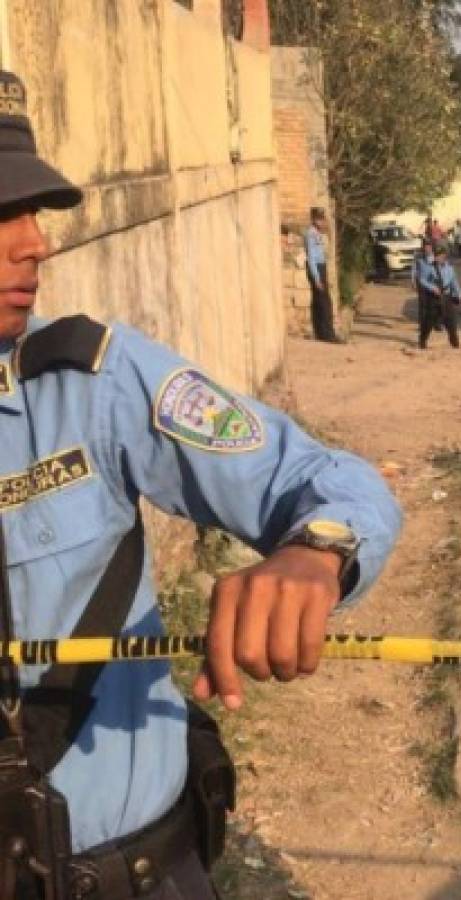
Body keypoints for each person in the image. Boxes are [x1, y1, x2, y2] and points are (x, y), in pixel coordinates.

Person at [0, 69, 403, 898]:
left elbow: (321, 481)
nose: (33, 242)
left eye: (29, 211)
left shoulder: (93, 383)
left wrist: (315, 553)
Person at [418, 242, 461, 349]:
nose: (439, 257)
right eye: (437, 255)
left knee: (451, 322)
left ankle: (455, 344)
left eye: (441, 255)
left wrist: (460, 295)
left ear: (444, 256)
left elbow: (454, 282)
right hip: (434, 298)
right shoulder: (430, 267)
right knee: (429, 321)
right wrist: (432, 287)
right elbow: (422, 280)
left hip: (447, 297)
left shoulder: (449, 268)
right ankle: (422, 340)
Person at [304, 207, 339, 343]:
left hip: (321, 267)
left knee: (320, 301)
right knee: (324, 302)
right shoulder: (311, 234)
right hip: (316, 268)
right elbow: (311, 258)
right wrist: (317, 278)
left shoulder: (318, 233)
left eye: (322, 219)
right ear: (313, 220)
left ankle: (321, 333)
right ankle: (328, 334)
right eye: (320, 219)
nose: (322, 222)